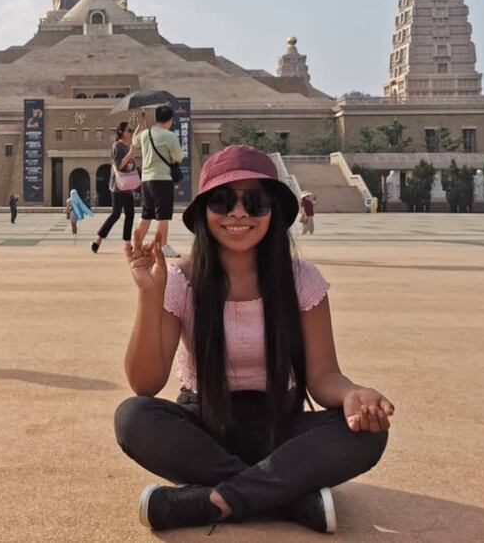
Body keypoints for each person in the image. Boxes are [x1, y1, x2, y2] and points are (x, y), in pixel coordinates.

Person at [115, 145, 391, 534]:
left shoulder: (301, 281)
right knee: (133, 417)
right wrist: (149, 296)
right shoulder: (181, 281)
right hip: (205, 426)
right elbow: (145, 384)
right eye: (223, 200)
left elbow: (324, 375)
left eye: (256, 202)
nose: (239, 213)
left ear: (274, 212)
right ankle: (288, 498)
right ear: (204, 212)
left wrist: (351, 394)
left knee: (368, 435)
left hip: (279, 427)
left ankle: (210, 501)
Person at [133, 105, 184, 258]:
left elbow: (134, 143)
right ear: (169, 120)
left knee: (146, 215)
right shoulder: (170, 136)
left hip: (146, 181)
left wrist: (141, 126)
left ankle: (137, 245)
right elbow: (178, 158)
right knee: (163, 216)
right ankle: (162, 246)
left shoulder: (145, 134)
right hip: (162, 180)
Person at [93, 121, 140, 254]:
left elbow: (129, 166)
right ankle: (98, 240)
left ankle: (127, 244)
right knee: (116, 214)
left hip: (127, 186)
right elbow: (119, 165)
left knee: (130, 215)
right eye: (128, 131)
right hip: (119, 186)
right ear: (121, 132)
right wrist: (130, 153)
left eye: (131, 131)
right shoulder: (117, 146)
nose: (130, 133)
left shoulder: (126, 146)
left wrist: (141, 124)